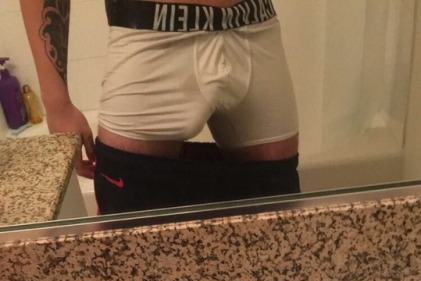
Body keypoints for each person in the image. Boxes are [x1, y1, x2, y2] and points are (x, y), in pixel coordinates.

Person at [19, 0, 300, 213]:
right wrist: (57, 104)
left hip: (256, 25)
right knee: (126, 242)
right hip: (150, 30)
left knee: (281, 227)